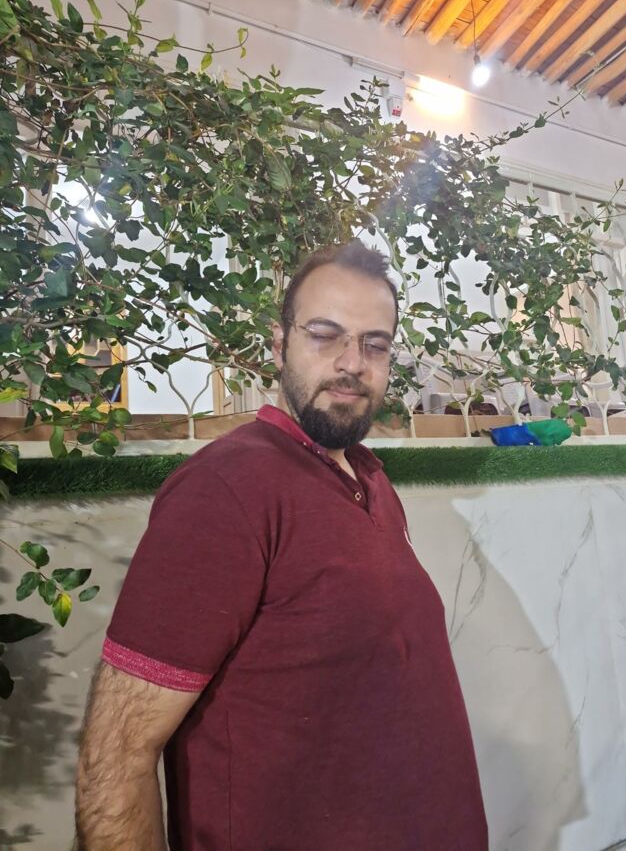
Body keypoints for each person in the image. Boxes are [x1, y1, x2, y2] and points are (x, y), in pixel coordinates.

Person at [75, 240, 488, 851]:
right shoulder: (226, 488)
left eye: (375, 344)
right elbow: (117, 754)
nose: (352, 363)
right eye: (325, 335)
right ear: (279, 344)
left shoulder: (368, 477)